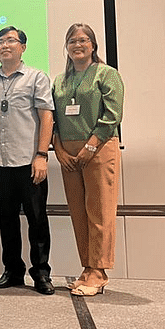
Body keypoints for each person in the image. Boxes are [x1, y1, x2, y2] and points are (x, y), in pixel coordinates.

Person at [0, 26, 55, 295]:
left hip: (29, 161)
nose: (5, 45)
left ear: (23, 46)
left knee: (37, 220)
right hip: (0, 163)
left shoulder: (36, 77)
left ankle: (41, 273)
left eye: (11, 40)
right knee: (7, 221)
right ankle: (12, 271)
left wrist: (42, 155)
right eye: (0, 41)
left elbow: (46, 116)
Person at [52, 23, 124, 296]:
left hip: (99, 146)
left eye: (83, 40)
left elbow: (112, 116)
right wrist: (58, 150)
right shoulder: (60, 81)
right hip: (68, 152)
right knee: (78, 212)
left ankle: (99, 271)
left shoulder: (107, 75)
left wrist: (91, 147)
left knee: (100, 210)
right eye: (72, 40)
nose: (77, 45)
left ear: (93, 45)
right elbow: (53, 119)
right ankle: (87, 267)